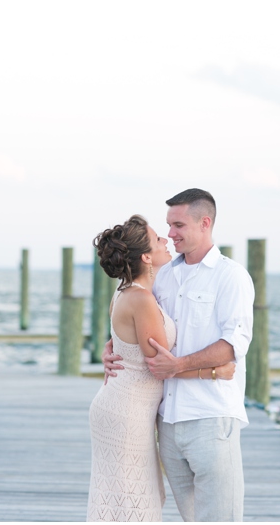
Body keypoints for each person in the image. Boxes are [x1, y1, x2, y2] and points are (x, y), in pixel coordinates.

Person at [103, 189, 254, 522]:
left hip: (211, 420)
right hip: (166, 422)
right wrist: (113, 345)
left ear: (205, 223)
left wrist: (182, 365)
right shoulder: (164, 276)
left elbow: (233, 344)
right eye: (168, 225)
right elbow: (135, 315)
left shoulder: (231, 276)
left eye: (178, 225)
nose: (170, 233)